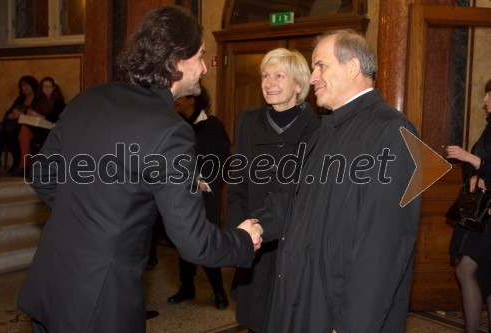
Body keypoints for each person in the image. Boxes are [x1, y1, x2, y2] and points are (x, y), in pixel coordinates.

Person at [17, 6, 262, 333]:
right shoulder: (171, 130)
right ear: (177, 61)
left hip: (50, 283)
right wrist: (243, 242)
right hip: (100, 303)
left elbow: (42, 175)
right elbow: (192, 242)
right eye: (201, 56)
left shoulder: (91, 97)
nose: (205, 67)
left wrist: (91, 218)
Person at [252, 29, 421, 332]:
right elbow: (294, 201)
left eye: (321, 66)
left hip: (340, 314)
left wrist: (350, 325)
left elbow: (383, 249)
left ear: (353, 67)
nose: (312, 77)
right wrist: (254, 227)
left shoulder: (392, 133)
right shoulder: (325, 130)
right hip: (307, 300)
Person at [226, 48, 319, 332]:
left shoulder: (317, 127)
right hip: (255, 239)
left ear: (299, 84)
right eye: (265, 76)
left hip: (295, 242)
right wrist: (237, 234)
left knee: (290, 319)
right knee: (256, 317)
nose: (269, 83)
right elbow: (238, 182)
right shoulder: (249, 122)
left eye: (279, 75)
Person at [167, 85, 231, 309]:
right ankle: (187, 287)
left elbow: (217, 163)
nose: (175, 99)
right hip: (180, 194)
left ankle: (218, 290)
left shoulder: (212, 127)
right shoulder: (176, 125)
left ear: (192, 101)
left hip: (205, 195)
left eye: (180, 96)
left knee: (206, 241)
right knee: (182, 239)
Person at [446, 78, 491, 333]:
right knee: (486, 278)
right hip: (483, 214)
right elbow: (480, 167)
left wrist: (471, 159)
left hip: (489, 219)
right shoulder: (489, 128)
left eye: (489, 94)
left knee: (467, 269)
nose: (485, 101)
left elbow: (482, 161)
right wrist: (475, 173)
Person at [17, 76, 66, 173]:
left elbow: (54, 118)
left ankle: (26, 166)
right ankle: (25, 165)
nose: (47, 89)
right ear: (41, 88)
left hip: (51, 130)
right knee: (24, 129)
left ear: (54, 88)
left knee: (25, 130)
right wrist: (29, 111)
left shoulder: (59, 101)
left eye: (49, 86)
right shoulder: (40, 100)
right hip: (39, 128)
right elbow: (33, 111)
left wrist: (39, 116)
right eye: (44, 87)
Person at [0, 75, 38, 173]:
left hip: (28, 126)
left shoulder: (38, 99)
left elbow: (36, 116)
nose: (26, 88)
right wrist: (10, 116)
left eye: (28, 85)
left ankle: (17, 162)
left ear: (33, 86)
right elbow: (7, 114)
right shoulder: (20, 98)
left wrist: (21, 115)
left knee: (8, 128)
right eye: (23, 85)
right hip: (14, 125)